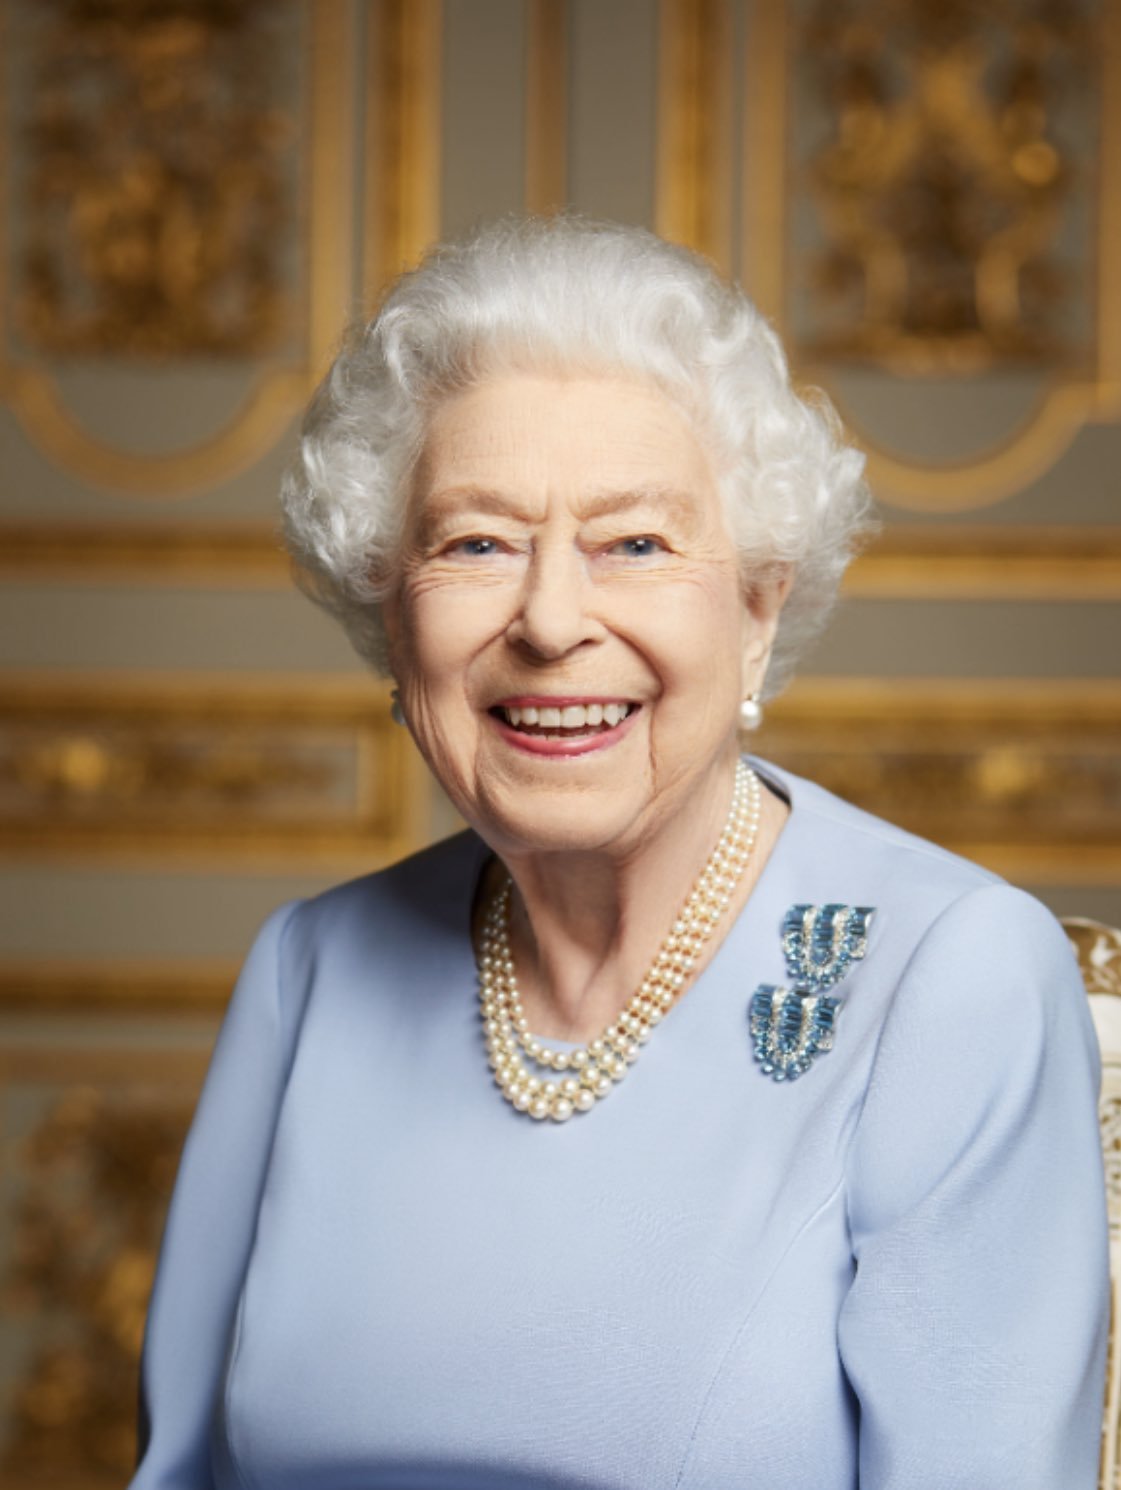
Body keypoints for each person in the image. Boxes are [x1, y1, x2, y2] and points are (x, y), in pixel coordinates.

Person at [131, 217, 1108, 1490]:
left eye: (633, 543)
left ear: (756, 610)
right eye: (475, 541)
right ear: (390, 609)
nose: (546, 619)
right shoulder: (305, 969)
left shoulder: (951, 976)